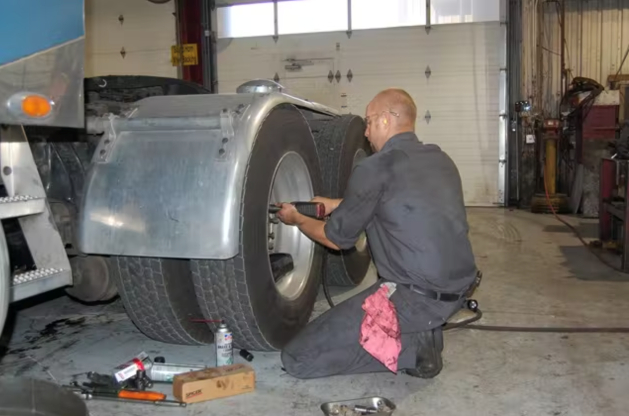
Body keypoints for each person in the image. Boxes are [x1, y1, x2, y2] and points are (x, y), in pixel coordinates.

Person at [275, 88, 478, 379]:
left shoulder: (374, 168)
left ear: (385, 120)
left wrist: (296, 218)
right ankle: (422, 330)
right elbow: (397, 201)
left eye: (369, 123)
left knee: (298, 358)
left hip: (413, 299)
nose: (366, 133)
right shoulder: (440, 160)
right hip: (457, 290)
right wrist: (334, 204)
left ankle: (416, 350)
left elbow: (335, 239)